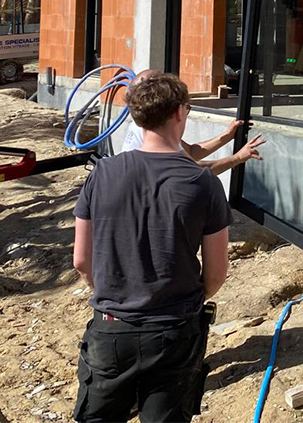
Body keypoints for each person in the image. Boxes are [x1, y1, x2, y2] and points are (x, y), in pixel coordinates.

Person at [72, 71, 231, 423]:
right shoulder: (203, 183)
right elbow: (217, 273)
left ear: (135, 115)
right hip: (174, 330)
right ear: (179, 113)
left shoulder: (101, 174)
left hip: (112, 327)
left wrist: (115, 296)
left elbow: (82, 260)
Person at [120, 69, 267, 173]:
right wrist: (237, 158)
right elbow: (195, 170)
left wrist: (226, 136)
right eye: (186, 108)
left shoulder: (145, 124)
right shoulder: (154, 134)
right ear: (177, 113)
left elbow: (190, 152)